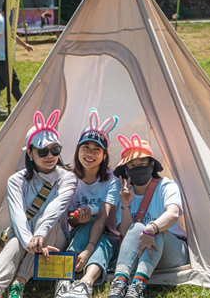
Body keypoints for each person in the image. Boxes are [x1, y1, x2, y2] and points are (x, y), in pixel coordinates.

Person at [0, 110, 77, 298]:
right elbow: (17, 215)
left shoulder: (67, 178)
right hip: (24, 236)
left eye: (55, 150)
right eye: (42, 151)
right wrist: (30, 242)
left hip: (54, 235)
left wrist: (40, 235)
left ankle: (19, 282)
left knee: (47, 225)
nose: (50, 156)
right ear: (30, 152)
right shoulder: (16, 180)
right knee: (16, 240)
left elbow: (55, 208)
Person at [107, 135, 189, 298]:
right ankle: (120, 283)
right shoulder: (124, 194)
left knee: (153, 229)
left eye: (143, 163)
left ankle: (138, 286)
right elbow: (126, 232)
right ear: (126, 171)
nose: (138, 168)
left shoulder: (166, 186)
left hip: (172, 252)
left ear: (152, 165)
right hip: (141, 253)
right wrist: (125, 205)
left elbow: (172, 213)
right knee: (137, 227)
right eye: (132, 165)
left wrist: (151, 229)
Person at [55, 109, 120, 298]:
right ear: (78, 150)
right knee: (86, 225)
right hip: (79, 232)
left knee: (103, 241)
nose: (90, 154)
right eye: (86, 147)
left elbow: (103, 215)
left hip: (107, 232)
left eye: (96, 149)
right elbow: (66, 218)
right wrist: (77, 220)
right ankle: (64, 281)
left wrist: (88, 249)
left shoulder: (111, 179)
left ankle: (85, 283)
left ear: (104, 154)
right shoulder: (68, 177)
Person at [0, 3, 34, 117]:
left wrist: (25, 45)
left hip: (5, 57)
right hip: (1, 58)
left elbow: (13, 35)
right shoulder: (0, 21)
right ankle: (22, 106)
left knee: (0, 83)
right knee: (13, 81)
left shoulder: (6, 20)